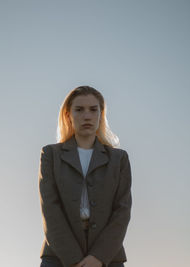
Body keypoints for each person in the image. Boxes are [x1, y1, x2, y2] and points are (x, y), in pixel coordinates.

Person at [38, 86, 132, 267]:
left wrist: (98, 257)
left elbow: (122, 211)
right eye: (79, 110)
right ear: (68, 115)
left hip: (108, 257)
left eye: (93, 110)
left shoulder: (119, 159)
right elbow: (50, 209)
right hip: (58, 257)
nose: (87, 116)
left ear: (100, 115)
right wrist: (73, 260)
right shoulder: (50, 154)